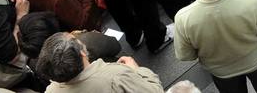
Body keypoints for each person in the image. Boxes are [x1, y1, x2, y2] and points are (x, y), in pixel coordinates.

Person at [36, 31, 165, 93]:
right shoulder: (116, 76)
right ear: (82, 53)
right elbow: (155, 91)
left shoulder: (51, 91)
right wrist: (137, 70)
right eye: (77, 39)